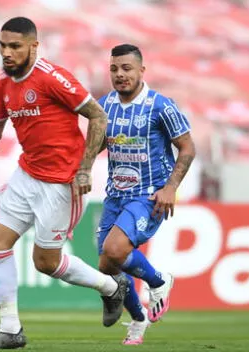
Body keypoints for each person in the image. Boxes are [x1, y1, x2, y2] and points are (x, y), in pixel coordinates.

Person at [0, 17, 128, 349]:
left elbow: (98, 116)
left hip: (62, 183)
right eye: (2, 45)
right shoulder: (2, 81)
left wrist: (85, 168)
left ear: (33, 46)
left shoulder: (52, 78)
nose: (7, 52)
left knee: (46, 263)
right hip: (26, 174)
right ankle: (10, 330)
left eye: (15, 46)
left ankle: (112, 288)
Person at [95, 44, 196, 345]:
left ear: (142, 70)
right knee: (106, 266)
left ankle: (158, 282)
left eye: (126, 68)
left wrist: (170, 188)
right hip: (115, 194)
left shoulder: (161, 106)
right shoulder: (104, 107)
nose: (120, 74)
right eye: (114, 69)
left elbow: (188, 147)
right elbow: (97, 145)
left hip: (150, 195)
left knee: (114, 250)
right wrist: (78, 169)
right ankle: (138, 319)